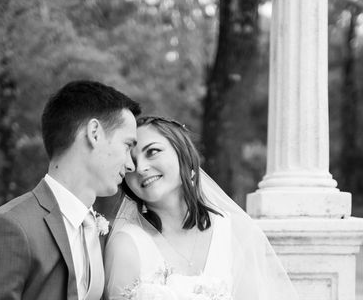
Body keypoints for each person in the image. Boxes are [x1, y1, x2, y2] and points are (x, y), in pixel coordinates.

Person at [0, 80, 141, 300]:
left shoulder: (103, 232)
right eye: (127, 145)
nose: (131, 165)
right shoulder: (10, 229)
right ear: (94, 133)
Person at [104, 116, 298, 299]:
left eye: (153, 152)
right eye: (131, 162)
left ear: (184, 155)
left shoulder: (235, 232)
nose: (140, 168)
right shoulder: (126, 246)